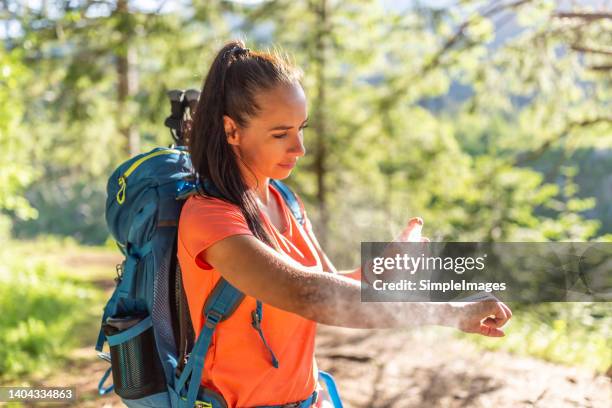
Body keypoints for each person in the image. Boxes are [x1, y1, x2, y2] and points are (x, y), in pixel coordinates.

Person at [177, 39, 512, 408]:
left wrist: (387, 266)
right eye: (280, 134)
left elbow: (333, 286)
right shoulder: (209, 217)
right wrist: (448, 311)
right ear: (231, 131)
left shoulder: (283, 200)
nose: (299, 148)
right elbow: (306, 294)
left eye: (301, 128)